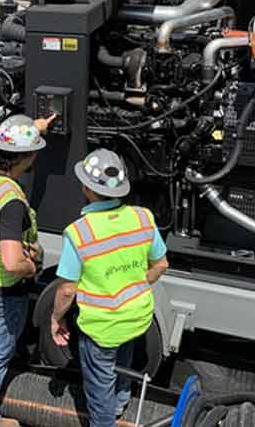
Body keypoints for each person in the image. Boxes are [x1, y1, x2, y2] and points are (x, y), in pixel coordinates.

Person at [49, 149, 169, 427]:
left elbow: (67, 290)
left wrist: (56, 319)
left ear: (87, 188)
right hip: (137, 316)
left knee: (99, 387)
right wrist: (137, 284)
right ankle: (120, 404)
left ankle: (105, 419)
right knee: (123, 364)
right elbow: (161, 264)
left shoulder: (79, 233)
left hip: (101, 328)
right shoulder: (143, 217)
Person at [0, 113, 55, 427]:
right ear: (27, 158)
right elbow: (12, 262)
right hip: (3, 285)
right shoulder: (10, 202)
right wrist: (32, 267)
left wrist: (35, 128)